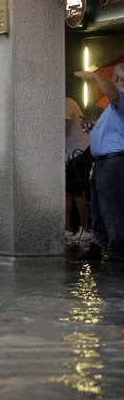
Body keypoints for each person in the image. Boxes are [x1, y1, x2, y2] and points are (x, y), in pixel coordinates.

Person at [74, 63, 124, 262]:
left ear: (115, 78)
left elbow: (113, 94)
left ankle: (119, 251)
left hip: (113, 162)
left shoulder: (120, 96)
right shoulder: (114, 106)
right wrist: (93, 126)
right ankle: (96, 246)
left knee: (111, 207)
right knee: (98, 205)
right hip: (104, 162)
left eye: (111, 76)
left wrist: (94, 77)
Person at [64, 98, 92, 240]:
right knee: (66, 191)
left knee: (77, 190)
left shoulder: (67, 102)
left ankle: (86, 229)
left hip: (79, 151)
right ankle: (67, 228)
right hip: (68, 152)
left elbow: (63, 124)